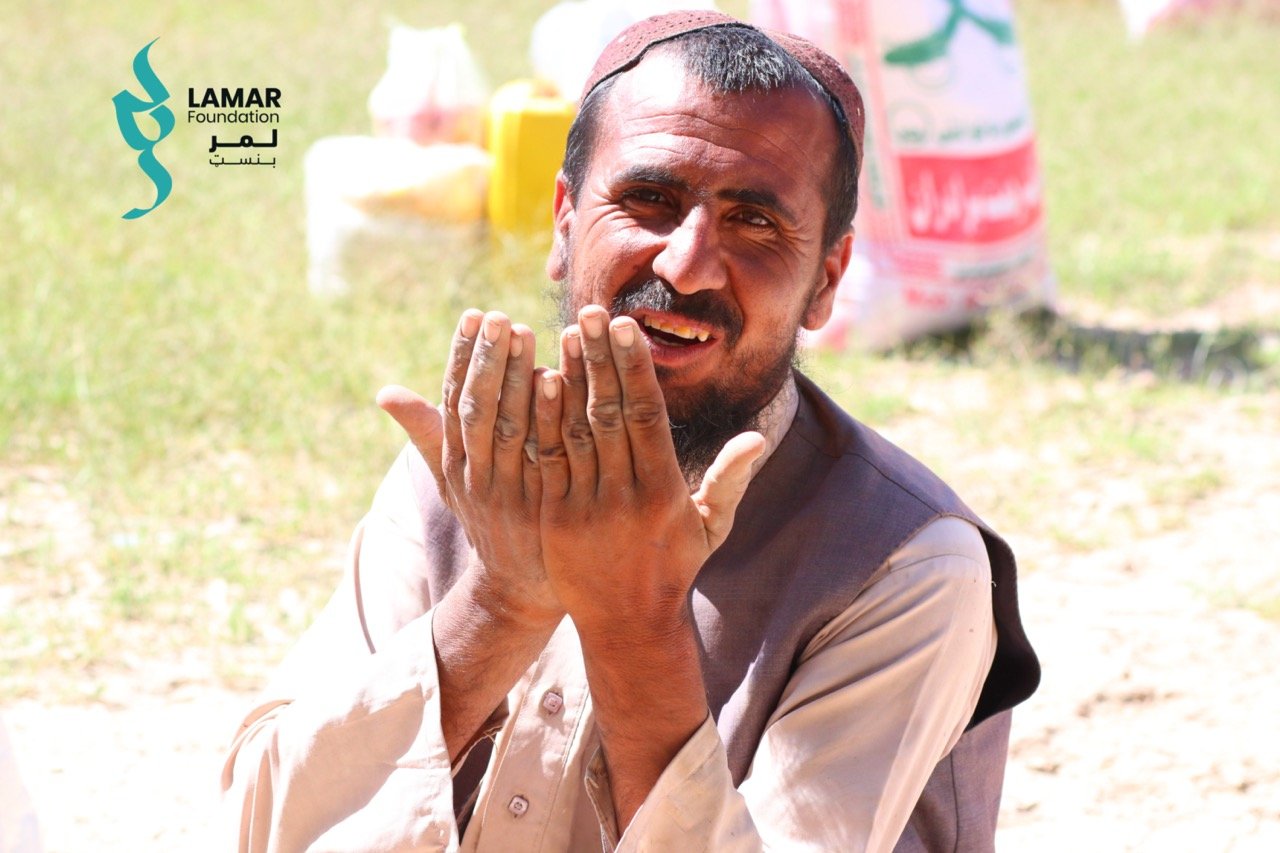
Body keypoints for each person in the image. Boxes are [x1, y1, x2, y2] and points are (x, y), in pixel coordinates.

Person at [222, 11, 1039, 851]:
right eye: (649, 200)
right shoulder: (462, 477)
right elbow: (264, 823)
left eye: (755, 222)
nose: (685, 264)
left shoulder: (905, 564)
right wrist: (499, 603)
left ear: (826, 280)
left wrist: (634, 628)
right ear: (563, 221)